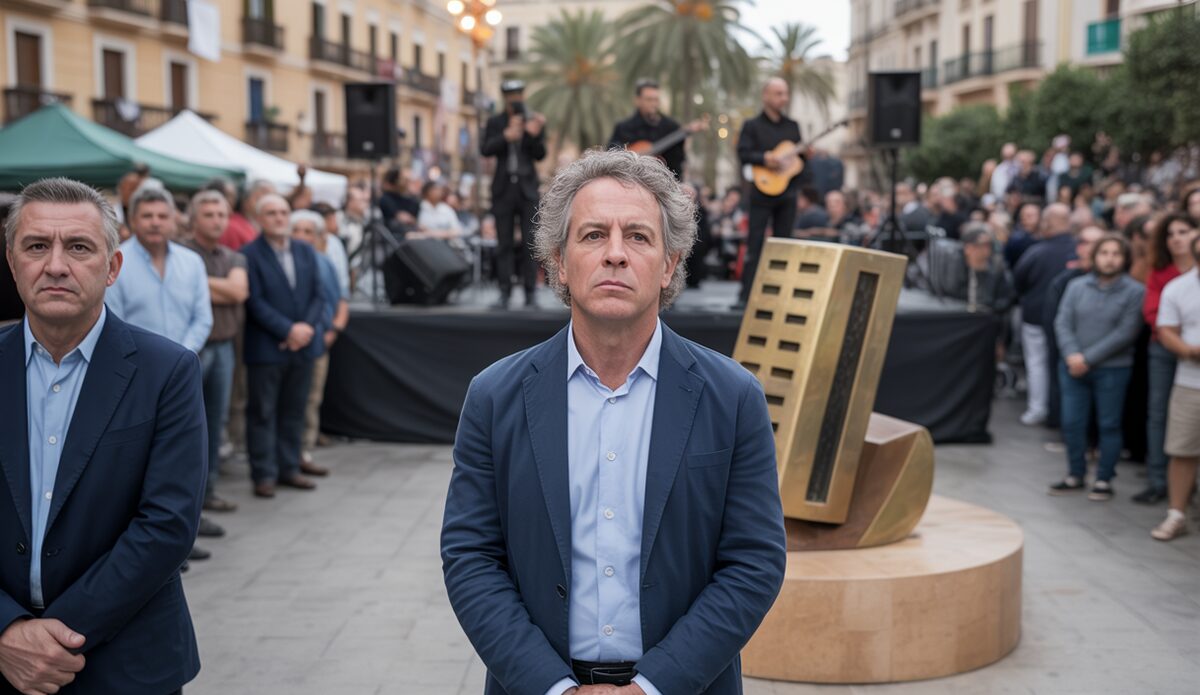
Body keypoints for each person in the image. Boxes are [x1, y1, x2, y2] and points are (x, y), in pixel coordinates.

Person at [441, 150, 786, 694]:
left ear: (670, 263)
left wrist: (653, 687)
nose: (616, 255)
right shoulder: (494, 396)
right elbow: (471, 558)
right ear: (558, 262)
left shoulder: (733, 397)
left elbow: (754, 564)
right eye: (594, 235)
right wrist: (552, 687)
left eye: (639, 237)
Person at [0, 177, 205, 693]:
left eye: (79, 247)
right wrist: (8, 629)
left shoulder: (168, 370)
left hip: (126, 658)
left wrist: (49, 640)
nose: (55, 265)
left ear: (112, 267)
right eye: (37, 246)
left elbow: (166, 524)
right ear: (11, 262)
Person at [242, 194, 327, 498]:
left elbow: (319, 294)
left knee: (294, 410)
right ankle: (264, 473)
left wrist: (304, 329)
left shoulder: (305, 251)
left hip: (302, 346)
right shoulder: (249, 254)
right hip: (267, 347)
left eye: (283, 212)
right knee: (263, 412)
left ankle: (289, 467)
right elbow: (254, 301)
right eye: (272, 213)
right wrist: (288, 329)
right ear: (260, 218)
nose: (279, 218)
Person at [1049, 234, 1144, 499]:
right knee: (1072, 422)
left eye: (1116, 253)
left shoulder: (1135, 291)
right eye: (1104, 253)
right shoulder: (1077, 286)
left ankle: (1104, 478)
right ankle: (1075, 473)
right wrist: (1072, 355)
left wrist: (1088, 358)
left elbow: (1125, 332)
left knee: (1109, 424)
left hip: (1112, 369)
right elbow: (1063, 322)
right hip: (1072, 366)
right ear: (1095, 256)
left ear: (1124, 258)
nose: (1110, 258)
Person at [183, 189, 248, 515]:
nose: (217, 221)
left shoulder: (233, 256)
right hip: (190, 348)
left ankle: (208, 491)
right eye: (209, 214)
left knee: (214, 422)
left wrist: (199, 283)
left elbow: (238, 291)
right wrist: (206, 285)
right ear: (193, 219)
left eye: (222, 214)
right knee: (185, 426)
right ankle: (188, 497)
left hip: (223, 347)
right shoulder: (179, 253)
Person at [104, 184, 213, 355]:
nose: (155, 222)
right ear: (132, 220)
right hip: (138, 363)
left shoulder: (192, 262)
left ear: (172, 220)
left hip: (186, 361)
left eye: (162, 216)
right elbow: (114, 322)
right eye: (147, 216)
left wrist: (184, 353)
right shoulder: (115, 264)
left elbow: (203, 318)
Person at [1137, 213, 1199, 505]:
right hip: (1165, 348)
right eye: (1170, 233)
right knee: (1159, 413)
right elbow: (1152, 313)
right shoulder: (1162, 273)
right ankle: (1159, 479)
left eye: (1183, 231)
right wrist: (1182, 345)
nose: (1176, 238)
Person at [1149, 233, 1200, 541]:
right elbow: (1166, 330)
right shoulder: (1178, 287)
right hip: (1190, 381)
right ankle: (1176, 514)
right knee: (1181, 450)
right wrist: (1190, 351)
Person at [735, 77, 802, 307]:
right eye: (778, 93)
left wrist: (803, 157)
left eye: (785, 93)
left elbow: (798, 160)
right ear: (765, 95)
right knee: (754, 242)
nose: (783, 98)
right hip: (761, 192)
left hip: (788, 193)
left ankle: (780, 295)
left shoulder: (792, 127)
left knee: (785, 244)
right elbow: (743, 153)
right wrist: (766, 158)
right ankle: (746, 296)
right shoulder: (752, 126)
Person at [290, 210, 347, 476]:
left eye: (308, 232)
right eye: (297, 230)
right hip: (290, 342)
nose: (301, 237)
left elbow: (336, 298)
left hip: (318, 340)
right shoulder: (286, 261)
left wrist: (333, 329)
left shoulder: (324, 263)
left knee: (312, 398)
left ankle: (304, 450)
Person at [481, 79, 547, 309]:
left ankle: (530, 294)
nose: (514, 98)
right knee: (504, 243)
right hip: (503, 189)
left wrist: (531, 135)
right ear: (504, 97)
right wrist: (506, 137)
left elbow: (540, 154)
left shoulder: (534, 120)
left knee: (530, 242)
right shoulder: (495, 122)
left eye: (518, 93)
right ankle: (504, 293)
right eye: (510, 94)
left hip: (527, 189)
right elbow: (485, 149)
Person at [1014, 203, 1075, 426]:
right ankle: (1053, 411)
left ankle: (1039, 408)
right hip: (1051, 319)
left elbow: (1018, 280)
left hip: (1039, 317)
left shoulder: (1037, 251)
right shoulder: (1077, 249)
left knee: (1037, 363)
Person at [1042, 225, 1106, 430]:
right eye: (1085, 243)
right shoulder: (1065, 281)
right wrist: (1071, 353)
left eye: (1096, 244)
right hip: (1071, 355)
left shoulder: (1121, 286)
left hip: (1106, 359)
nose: (1089, 249)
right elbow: (1056, 322)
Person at [607, 78, 705, 181]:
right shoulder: (624, 127)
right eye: (649, 99)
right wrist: (633, 154)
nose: (654, 104)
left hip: (663, 181)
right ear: (637, 100)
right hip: (631, 180)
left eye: (656, 99)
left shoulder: (671, 127)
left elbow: (678, 161)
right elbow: (611, 152)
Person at [220, 179, 275, 251]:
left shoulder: (267, 228)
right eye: (259, 198)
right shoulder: (232, 226)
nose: (265, 203)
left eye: (271, 198)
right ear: (245, 200)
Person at [1004, 202, 1040, 269]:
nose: (1027, 219)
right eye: (1025, 215)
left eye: (1031, 215)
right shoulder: (1015, 240)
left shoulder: (1045, 237)